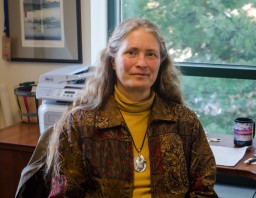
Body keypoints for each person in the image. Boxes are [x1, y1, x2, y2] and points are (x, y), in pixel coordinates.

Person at [45, 18, 218, 197]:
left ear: (160, 62)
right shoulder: (80, 123)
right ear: (112, 61)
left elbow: (203, 190)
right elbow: (65, 194)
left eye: (151, 54)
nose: (141, 63)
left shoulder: (185, 122)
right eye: (131, 52)